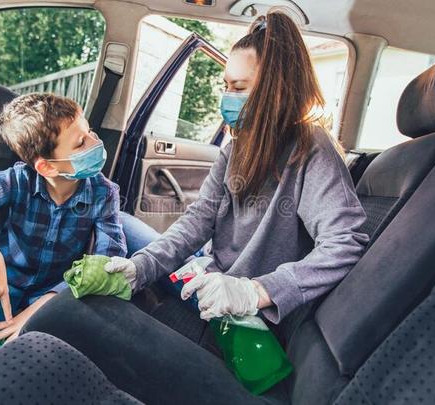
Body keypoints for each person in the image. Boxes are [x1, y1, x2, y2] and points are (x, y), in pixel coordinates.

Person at [23, 12, 369, 403]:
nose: (228, 97)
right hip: (208, 284)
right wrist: (141, 268)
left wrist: (257, 291)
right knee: (124, 233)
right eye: (226, 86)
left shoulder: (311, 148)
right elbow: (197, 221)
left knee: (60, 314)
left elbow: (346, 242)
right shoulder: (236, 148)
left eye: (239, 86)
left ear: (276, 89)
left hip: (247, 321)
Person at [0, 93, 126, 345]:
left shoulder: (103, 193)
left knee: (35, 347)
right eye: (81, 143)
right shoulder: (16, 181)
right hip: (1, 281)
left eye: (90, 132)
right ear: (47, 167)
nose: (95, 143)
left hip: (54, 291)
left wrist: (39, 307)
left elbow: (107, 264)